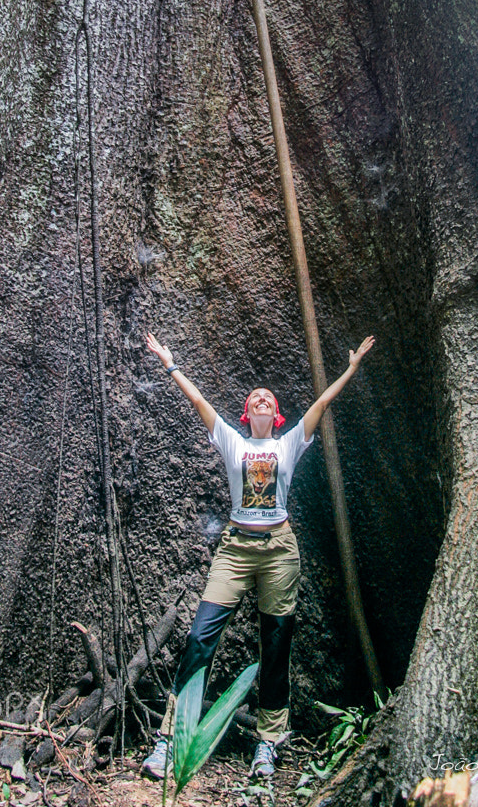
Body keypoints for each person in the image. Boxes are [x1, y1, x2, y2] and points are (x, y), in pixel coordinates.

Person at [141, 329, 376, 782]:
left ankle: (268, 744)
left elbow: (321, 406)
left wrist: (350, 369)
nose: (263, 400)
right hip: (235, 549)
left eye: (269, 398)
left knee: (275, 645)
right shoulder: (233, 442)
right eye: (256, 399)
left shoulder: (288, 443)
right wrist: (170, 364)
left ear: (277, 413)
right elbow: (200, 404)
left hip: (279, 552)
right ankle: (169, 738)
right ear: (248, 415)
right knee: (200, 637)